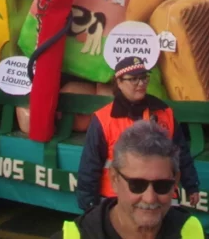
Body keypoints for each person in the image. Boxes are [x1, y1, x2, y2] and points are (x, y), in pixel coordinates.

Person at [77, 57, 199, 212]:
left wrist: (191, 185)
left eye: (144, 77)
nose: (141, 83)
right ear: (119, 82)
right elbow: (90, 164)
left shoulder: (164, 113)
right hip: (117, 201)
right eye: (134, 79)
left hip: (160, 198)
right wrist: (88, 204)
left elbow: (181, 153)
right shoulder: (103, 119)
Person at [54, 121, 204, 239]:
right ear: (114, 179)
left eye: (162, 185)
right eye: (137, 185)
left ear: (175, 182)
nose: (150, 198)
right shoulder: (77, 236)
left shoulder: (190, 231)